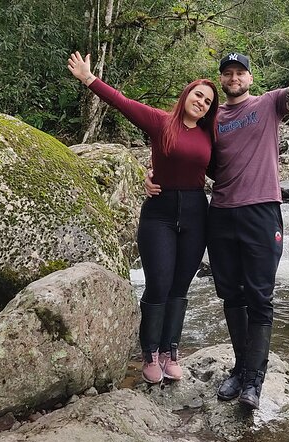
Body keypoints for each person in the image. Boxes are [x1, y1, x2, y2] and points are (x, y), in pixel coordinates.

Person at [145, 9, 289, 408]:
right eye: (226, 73)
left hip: (261, 211)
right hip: (221, 214)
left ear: (249, 77)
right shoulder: (211, 119)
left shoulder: (270, 104)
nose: (233, 79)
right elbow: (184, 151)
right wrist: (152, 174)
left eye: (239, 73)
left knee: (259, 296)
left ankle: (254, 381)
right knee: (231, 295)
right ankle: (238, 369)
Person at [67, 51, 219, 384]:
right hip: (159, 213)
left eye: (208, 101)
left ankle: (170, 351)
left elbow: (228, 166)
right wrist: (88, 78)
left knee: (180, 286)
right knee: (159, 283)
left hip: (196, 213)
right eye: (198, 95)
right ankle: (150, 352)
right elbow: (121, 102)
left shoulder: (210, 135)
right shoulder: (160, 121)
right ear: (186, 95)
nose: (202, 103)